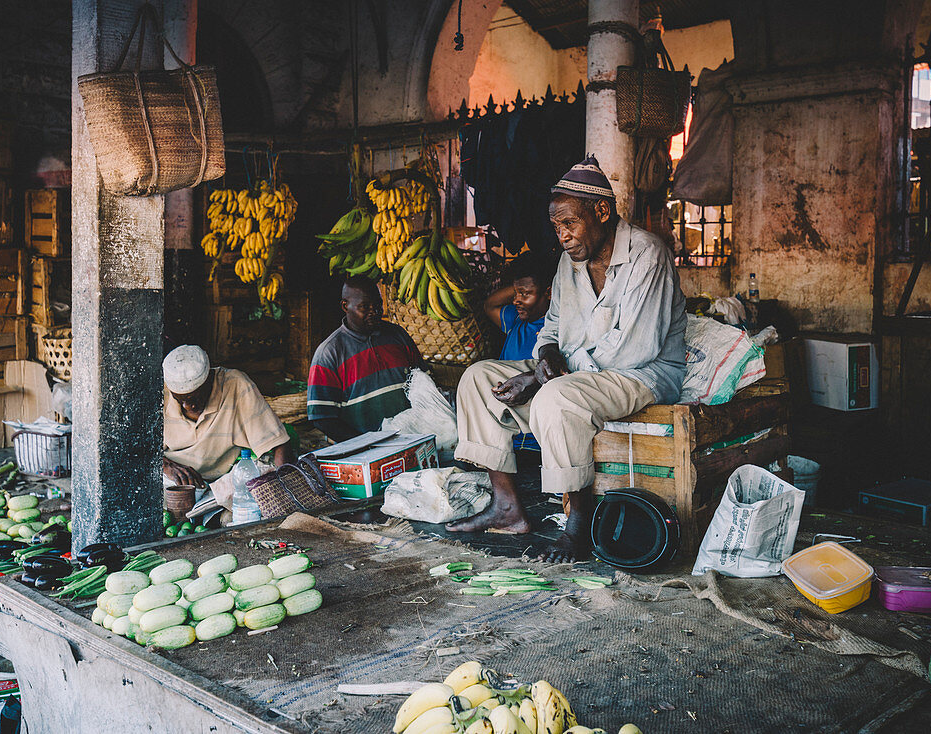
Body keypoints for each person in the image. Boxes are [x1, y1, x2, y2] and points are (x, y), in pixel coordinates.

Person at [448, 155, 686, 563]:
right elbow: (552, 326)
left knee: (556, 398)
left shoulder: (649, 255)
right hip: (578, 373)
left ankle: (578, 522)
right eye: (557, 227)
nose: (562, 236)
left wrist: (545, 379)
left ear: (602, 211)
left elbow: (634, 350)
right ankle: (507, 508)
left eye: (569, 224)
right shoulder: (569, 264)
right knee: (478, 378)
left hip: (641, 374)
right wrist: (545, 355)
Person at [161, 345, 292, 492]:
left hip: (220, 481)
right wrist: (166, 466)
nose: (187, 407)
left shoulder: (235, 384)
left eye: (194, 398)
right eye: (180, 399)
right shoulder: (160, 392)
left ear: (209, 380)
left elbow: (278, 442)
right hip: (170, 478)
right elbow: (136, 449)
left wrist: (285, 488)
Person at [307, 276, 423, 441]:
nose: (374, 312)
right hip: (363, 452)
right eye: (364, 307)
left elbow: (422, 380)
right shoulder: (328, 354)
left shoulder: (398, 336)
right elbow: (322, 418)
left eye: (377, 305)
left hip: (411, 439)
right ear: (345, 306)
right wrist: (366, 443)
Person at [484, 250, 555, 452]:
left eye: (525, 294)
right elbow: (490, 304)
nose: (516, 300)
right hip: (505, 437)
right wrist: (521, 285)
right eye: (515, 293)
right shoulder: (516, 321)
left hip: (538, 441)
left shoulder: (557, 331)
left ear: (548, 293)